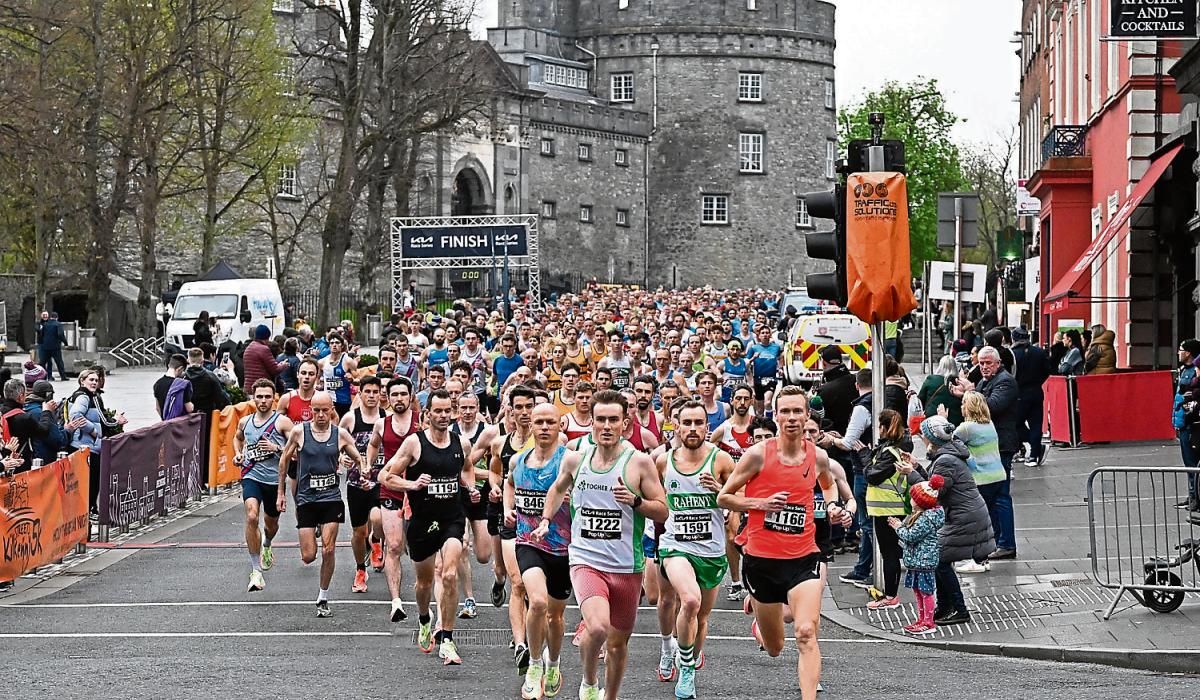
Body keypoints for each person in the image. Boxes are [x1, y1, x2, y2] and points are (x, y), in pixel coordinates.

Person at [534, 389, 669, 700]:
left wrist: (635, 502)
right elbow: (556, 489)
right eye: (600, 420)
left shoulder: (639, 463)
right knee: (597, 629)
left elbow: (662, 509)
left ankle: (610, 695)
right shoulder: (575, 459)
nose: (606, 426)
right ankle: (589, 682)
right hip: (585, 560)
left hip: (626, 566)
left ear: (624, 423)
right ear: (590, 423)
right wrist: (546, 519)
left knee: (619, 645)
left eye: (613, 420)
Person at [717, 385, 849, 700]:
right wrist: (760, 504)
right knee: (776, 648)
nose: (791, 417)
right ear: (775, 416)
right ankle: (762, 622)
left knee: (805, 632)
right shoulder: (758, 455)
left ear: (807, 417)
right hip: (762, 562)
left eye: (797, 411)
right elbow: (725, 496)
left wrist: (832, 506)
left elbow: (828, 486)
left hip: (804, 558)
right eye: (785, 411)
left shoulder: (818, 456)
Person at [379, 389, 479, 665]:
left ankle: (447, 639)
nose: (444, 416)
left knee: (448, 575)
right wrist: (412, 485)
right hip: (423, 521)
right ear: (427, 414)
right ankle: (424, 617)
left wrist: (469, 486)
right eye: (439, 411)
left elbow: (467, 468)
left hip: (452, 519)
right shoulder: (414, 443)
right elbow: (384, 475)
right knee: (423, 583)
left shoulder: (462, 443)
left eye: (448, 411)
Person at [655, 400, 735, 699]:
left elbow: (742, 497)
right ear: (676, 425)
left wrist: (720, 491)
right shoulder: (663, 462)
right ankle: (684, 667)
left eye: (698, 423)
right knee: (688, 600)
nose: (692, 429)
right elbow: (655, 501)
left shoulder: (722, 460)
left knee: (701, 618)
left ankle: (688, 655)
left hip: (711, 551)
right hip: (675, 545)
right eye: (686, 423)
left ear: (707, 426)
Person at [277, 391, 362, 618]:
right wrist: (281, 493)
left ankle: (323, 596)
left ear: (332, 409)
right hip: (306, 498)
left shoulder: (340, 434)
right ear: (310, 411)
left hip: (331, 498)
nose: (321, 415)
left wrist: (360, 472)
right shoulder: (299, 432)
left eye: (325, 410)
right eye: (316, 410)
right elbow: (284, 460)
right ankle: (313, 529)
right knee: (308, 556)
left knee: (329, 549)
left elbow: (359, 458)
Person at [510, 403, 571, 700]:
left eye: (551, 422)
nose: (545, 427)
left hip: (562, 547)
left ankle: (553, 662)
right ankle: (534, 664)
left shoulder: (569, 461)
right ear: (530, 426)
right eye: (539, 422)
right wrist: (509, 508)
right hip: (527, 541)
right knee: (536, 602)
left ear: (560, 425)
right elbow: (510, 484)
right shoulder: (519, 460)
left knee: (555, 616)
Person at [907, 416, 993, 626]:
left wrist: (910, 474)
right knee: (940, 560)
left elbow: (933, 493)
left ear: (931, 439)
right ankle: (946, 606)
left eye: (923, 436)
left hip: (963, 516)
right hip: (963, 513)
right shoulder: (947, 454)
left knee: (939, 560)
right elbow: (935, 481)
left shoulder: (945, 459)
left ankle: (959, 609)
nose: (922, 440)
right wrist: (917, 467)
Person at [953, 346, 1019, 560]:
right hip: (989, 448)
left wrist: (970, 392)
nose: (983, 367)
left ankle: (1006, 543)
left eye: (988, 363)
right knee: (990, 500)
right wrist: (969, 394)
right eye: (981, 363)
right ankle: (996, 541)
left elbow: (990, 407)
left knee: (1001, 497)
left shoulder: (1005, 381)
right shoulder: (984, 382)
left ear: (998, 363)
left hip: (1001, 446)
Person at [489, 386, 537, 674]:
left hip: (540, 523)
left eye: (528, 406)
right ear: (510, 409)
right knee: (517, 583)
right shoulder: (500, 443)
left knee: (535, 590)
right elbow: (495, 470)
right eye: (518, 407)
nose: (523, 412)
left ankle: (532, 637)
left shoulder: (549, 442)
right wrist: (496, 487)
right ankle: (521, 644)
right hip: (510, 519)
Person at [365, 376, 420, 623]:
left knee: (419, 549)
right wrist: (368, 465)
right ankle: (396, 601)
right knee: (395, 546)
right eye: (394, 394)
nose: (399, 399)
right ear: (388, 397)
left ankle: (425, 591)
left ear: (411, 396)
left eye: (403, 394)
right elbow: (373, 445)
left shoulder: (422, 422)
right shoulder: (381, 424)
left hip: (418, 491)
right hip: (391, 490)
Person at [233, 379, 292, 592]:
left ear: (274, 398)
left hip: (274, 481)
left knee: (271, 524)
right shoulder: (245, 421)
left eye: (268, 396)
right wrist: (238, 454)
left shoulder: (283, 422)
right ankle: (256, 569)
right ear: (253, 397)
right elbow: (237, 439)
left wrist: (276, 447)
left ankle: (266, 544)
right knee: (251, 516)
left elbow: (296, 448)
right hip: (251, 475)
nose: (263, 401)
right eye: (259, 396)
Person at [862, 409, 916, 610]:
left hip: (887, 509)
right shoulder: (897, 448)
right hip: (890, 507)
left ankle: (891, 596)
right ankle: (890, 594)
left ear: (883, 428)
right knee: (893, 552)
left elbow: (872, 475)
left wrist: (865, 456)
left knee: (889, 554)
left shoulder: (889, 452)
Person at [953, 392, 1008, 574]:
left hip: (981, 478)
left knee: (977, 521)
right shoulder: (989, 424)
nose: (961, 406)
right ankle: (985, 557)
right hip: (997, 475)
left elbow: (949, 441)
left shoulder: (967, 428)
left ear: (969, 407)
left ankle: (978, 560)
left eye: (963, 403)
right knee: (990, 519)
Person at [339, 375, 385, 594]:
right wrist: (342, 458)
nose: (372, 396)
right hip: (356, 481)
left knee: (378, 518)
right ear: (360, 393)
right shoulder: (350, 419)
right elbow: (337, 443)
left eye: (376, 392)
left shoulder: (387, 418)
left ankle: (376, 539)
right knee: (358, 531)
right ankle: (360, 569)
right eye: (368, 391)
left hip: (381, 480)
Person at [890, 475, 946, 634]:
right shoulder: (922, 516)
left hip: (924, 561)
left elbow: (910, 536)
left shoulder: (925, 519)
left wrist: (898, 527)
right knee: (918, 591)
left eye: (913, 498)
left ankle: (928, 622)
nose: (910, 500)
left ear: (921, 502)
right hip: (917, 560)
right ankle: (922, 619)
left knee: (925, 592)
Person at [1011, 327, 1050, 466]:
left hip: (1019, 393)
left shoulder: (1013, 354)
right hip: (1036, 391)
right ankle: (1034, 454)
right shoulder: (1039, 352)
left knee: (1015, 423)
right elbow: (1047, 370)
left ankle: (1035, 448)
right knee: (1036, 423)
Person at [23, 380, 82, 464]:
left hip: (35, 457)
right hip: (44, 460)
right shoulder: (41, 412)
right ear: (48, 395)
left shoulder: (28, 407)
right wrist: (68, 431)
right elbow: (57, 440)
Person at [1176, 339, 1200, 511]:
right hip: (1183, 419)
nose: (1179, 352)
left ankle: (1195, 496)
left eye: (1181, 349)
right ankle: (1192, 494)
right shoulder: (1183, 370)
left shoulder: (1194, 372)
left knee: (1192, 461)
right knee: (1188, 461)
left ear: (1189, 353)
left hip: (1191, 420)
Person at [320, 334, 359, 417]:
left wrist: (351, 380)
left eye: (337, 343)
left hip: (344, 401)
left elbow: (358, 380)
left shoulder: (348, 361)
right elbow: (316, 380)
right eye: (332, 343)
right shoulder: (322, 362)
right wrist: (320, 384)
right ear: (329, 345)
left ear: (342, 346)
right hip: (328, 401)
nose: (334, 345)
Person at [747, 325, 782, 416]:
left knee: (767, 402)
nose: (765, 335)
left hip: (771, 379)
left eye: (767, 333)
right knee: (759, 410)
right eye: (763, 333)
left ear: (770, 335)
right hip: (758, 379)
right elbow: (746, 363)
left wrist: (780, 368)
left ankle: (769, 423)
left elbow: (780, 358)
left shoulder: (776, 347)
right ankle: (760, 424)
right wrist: (753, 358)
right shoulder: (754, 348)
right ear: (759, 336)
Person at [919, 355, 963, 426]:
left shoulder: (931, 380)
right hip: (956, 421)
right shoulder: (960, 383)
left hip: (932, 419)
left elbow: (920, 399)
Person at [154, 354, 193, 419]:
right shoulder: (182, 385)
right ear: (180, 368)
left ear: (169, 365)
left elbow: (157, 408)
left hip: (166, 424)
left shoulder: (157, 384)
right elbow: (189, 408)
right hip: (179, 424)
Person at [38, 312, 68, 381]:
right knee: (59, 362)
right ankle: (63, 377)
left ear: (50, 317)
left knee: (42, 362)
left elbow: (41, 334)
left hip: (45, 346)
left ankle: (42, 376)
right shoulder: (58, 324)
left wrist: (43, 343)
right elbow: (60, 334)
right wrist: (65, 343)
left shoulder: (45, 324)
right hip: (55, 347)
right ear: (57, 317)